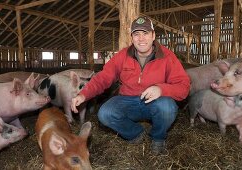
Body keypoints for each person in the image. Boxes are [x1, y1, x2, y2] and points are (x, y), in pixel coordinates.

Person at [71, 16, 190, 155]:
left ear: (153, 36)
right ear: (132, 38)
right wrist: (84, 94)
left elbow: (184, 87)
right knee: (105, 113)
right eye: (137, 34)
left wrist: (161, 89)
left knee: (167, 107)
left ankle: (158, 138)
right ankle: (135, 134)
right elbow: (103, 77)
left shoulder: (167, 57)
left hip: (155, 102)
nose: (141, 38)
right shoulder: (122, 56)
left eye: (145, 33)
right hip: (128, 101)